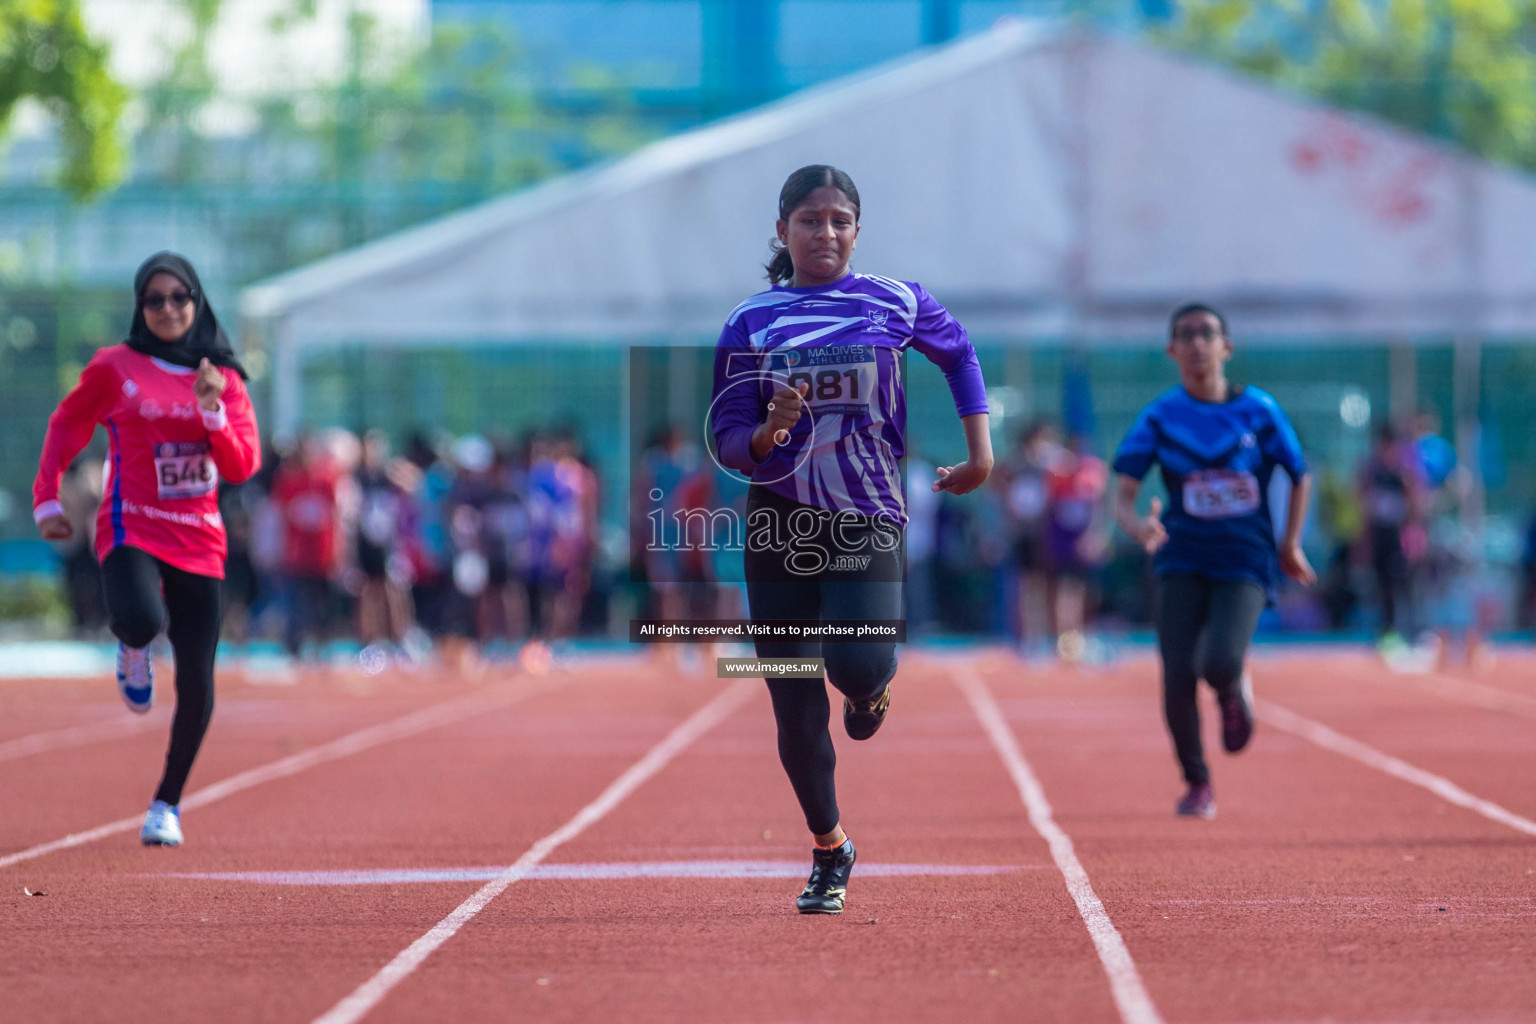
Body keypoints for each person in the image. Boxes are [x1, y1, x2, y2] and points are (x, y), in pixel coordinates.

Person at [710, 165, 992, 913]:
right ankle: (829, 848)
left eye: (838, 220)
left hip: (867, 515)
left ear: (857, 230)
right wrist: (765, 434)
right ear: (782, 231)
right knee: (793, 702)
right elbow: (725, 432)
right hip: (779, 521)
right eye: (809, 220)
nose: (824, 232)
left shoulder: (895, 300)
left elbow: (959, 353)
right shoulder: (751, 322)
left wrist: (981, 451)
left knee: (858, 664)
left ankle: (874, 690)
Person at [33, 251, 261, 846]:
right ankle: (133, 648)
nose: (166, 308)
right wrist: (46, 499)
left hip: (199, 537)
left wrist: (211, 409)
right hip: (131, 521)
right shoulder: (116, 366)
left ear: (197, 301)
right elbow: (66, 425)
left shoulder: (224, 379)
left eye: (178, 297)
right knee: (138, 618)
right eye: (154, 299)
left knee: (197, 681)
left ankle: (167, 804)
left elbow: (241, 466)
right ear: (141, 307)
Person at [1112, 303, 1313, 820]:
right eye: (1186, 335)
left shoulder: (1259, 411)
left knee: (1218, 661)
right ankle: (1197, 782)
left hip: (1245, 556)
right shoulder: (1161, 416)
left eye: (1208, 334)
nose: (1198, 343)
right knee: (1177, 674)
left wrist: (1289, 543)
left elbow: (1299, 473)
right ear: (1172, 350)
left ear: (1227, 346)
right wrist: (1138, 525)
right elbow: (1124, 493)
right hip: (1180, 554)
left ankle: (1231, 688)